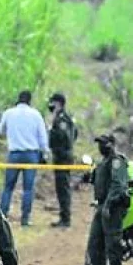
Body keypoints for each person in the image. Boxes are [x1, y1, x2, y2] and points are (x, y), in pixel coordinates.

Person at [0, 90, 50, 228]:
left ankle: (2, 215)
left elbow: (0, 130)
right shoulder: (36, 114)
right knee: (28, 188)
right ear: (29, 100)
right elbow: (42, 136)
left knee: (8, 187)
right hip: (31, 154)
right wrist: (45, 152)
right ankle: (25, 219)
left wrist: (11, 136)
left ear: (18, 99)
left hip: (14, 153)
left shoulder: (9, 113)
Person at [84, 134, 130, 265]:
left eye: (103, 144)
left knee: (112, 244)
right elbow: (96, 180)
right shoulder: (103, 162)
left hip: (113, 208)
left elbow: (118, 185)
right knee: (95, 244)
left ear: (111, 144)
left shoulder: (117, 161)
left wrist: (109, 205)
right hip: (102, 205)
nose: (100, 147)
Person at [46, 92, 79, 228]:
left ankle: (65, 219)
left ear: (58, 103)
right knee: (61, 188)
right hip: (62, 156)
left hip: (63, 157)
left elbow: (65, 136)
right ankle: (63, 217)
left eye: (52, 103)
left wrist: (51, 132)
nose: (50, 106)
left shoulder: (62, 119)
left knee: (63, 187)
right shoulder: (64, 118)